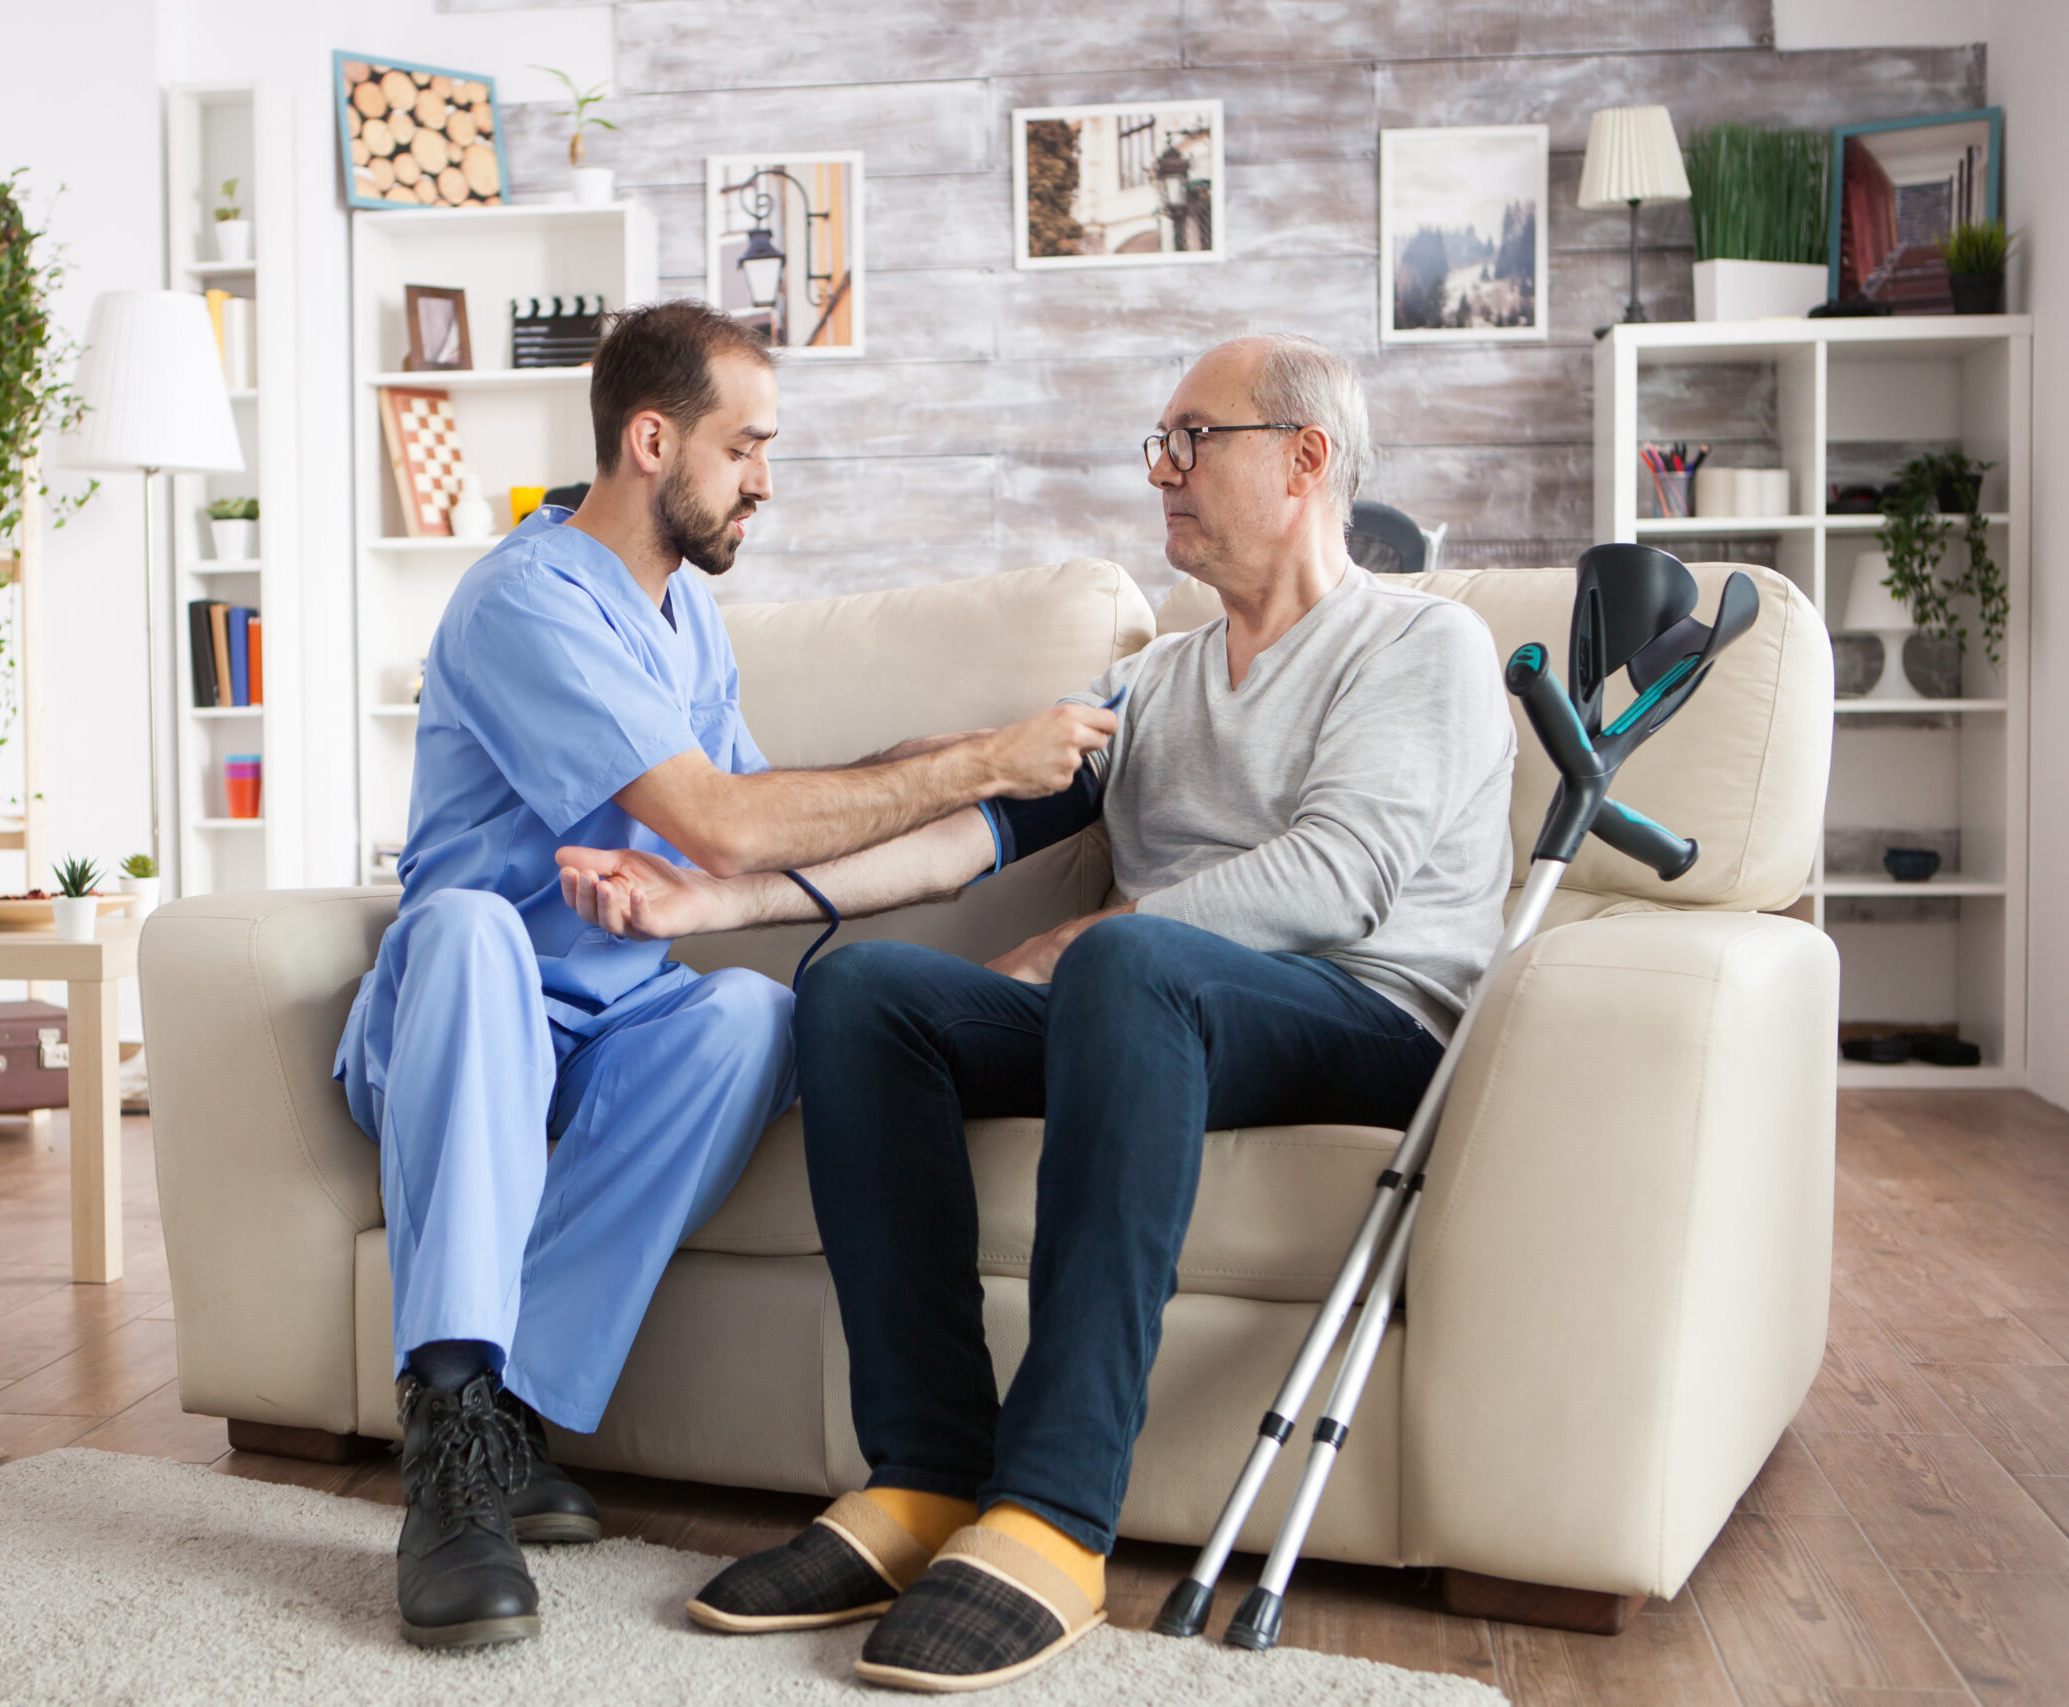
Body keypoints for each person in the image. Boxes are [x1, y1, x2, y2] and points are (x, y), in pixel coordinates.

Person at [558, 334, 1518, 1692]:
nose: (1162, 472)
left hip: (1363, 1018)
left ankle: (1061, 1514)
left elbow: (1342, 877)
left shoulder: (1422, 641)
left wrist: (1094, 938)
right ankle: (929, 1477)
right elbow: (963, 837)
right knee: (866, 992)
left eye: (1196, 439)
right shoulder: (1157, 684)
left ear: (1307, 458)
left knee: (1125, 966)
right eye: (1159, 443)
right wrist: (703, 904)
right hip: (1159, 1013)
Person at [330, 299, 1117, 1652]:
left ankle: (508, 1422)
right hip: (464, 1025)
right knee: (471, 926)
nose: (765, 476)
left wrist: (980, 745)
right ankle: (450, 1442)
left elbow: (773, 798)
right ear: (652, 440)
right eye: (746, 444)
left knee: (755, 1011)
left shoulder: (683, 614)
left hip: (616, 1019)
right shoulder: (525, 599)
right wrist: (983, 766)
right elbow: (725, 827)